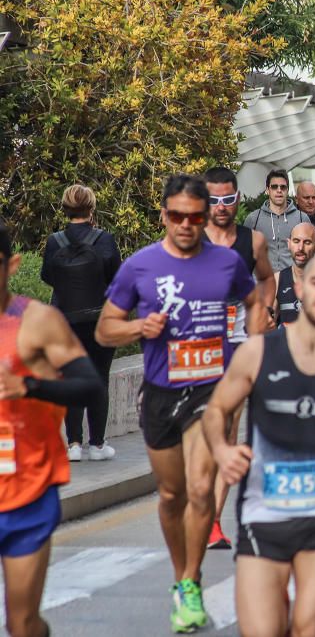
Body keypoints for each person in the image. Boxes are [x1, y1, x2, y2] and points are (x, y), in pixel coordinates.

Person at [96, 175, 264, 633]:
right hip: (162, 393)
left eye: (195, 216)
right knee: (171, 496)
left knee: (201, 486)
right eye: (177, 216)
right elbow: (105, 329)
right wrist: (138, 329)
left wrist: (249, 347)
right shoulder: (140, 266)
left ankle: (191, 582)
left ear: (206, 215)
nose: (187, 225)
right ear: (164, 216)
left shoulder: (227, 262)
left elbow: (255, 301)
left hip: (212, 390)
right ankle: (179, 576)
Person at [203, 252, 315, 637]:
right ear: (301, 288)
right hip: (263, 513)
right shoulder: (259, 351)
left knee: (308, 628)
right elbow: (216, 410)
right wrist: (222, 451)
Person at [0, 223, 104, 637]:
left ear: (13, 265)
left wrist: (30, 385)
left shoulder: (40, 321)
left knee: (22, 623)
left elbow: (90, 386)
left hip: (27, 491)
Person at [203, 166, 277, 550]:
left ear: (237, 198)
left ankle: (213, 522)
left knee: (228, 432)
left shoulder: (253, 241)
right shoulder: (190, 239)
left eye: (227, 199)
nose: (220, 206)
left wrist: (261, 312)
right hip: (196, 349)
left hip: (236, 346)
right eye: (213, 200)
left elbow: (266, 279)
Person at [40, 184, 121, 462]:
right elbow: (116, 278)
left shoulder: (55, 242)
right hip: (99, 320)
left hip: (64, 322)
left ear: (65, 208)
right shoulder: (105, 240)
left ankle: (73, 444)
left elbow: (47, 276)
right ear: (91, 208)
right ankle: (98, 445)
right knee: (99, 378)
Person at [243, 170, 310, 273]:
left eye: (283, 187)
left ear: (287, 190)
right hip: (262, 283)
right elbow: (244, 254)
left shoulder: (302, 218)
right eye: (274, 187)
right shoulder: (253, 219)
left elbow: (309, 252)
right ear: (267, 190)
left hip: (292, 283)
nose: (279, 190)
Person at [275, 223, 315, 326]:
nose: (300, 248)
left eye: (307, 242)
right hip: (285, 340)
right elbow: (267, 323)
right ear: (289, 244)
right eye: (296, 241)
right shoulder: (277, 280)